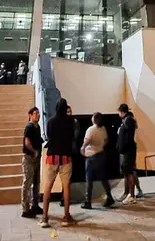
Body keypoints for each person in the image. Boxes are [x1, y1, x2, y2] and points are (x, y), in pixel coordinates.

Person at [40, 98, 75, 228]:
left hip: (52, 156)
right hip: (66, 157)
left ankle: (44, 217)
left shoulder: (50, 121)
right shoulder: (71, 121)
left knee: (47, 186)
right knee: (66, 187)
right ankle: (66, 216)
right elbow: (72, 136)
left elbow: (49, 136)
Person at [81, 112, 115, 209]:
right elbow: (106, 141)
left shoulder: (90, 130)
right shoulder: (103, 129)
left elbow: (86, 141)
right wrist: (100, 146)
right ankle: (109, 196)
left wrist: (83, 148)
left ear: (94, 119)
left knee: (89, 179)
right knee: (103, 178)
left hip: (91, 157)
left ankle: (88, 201)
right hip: (101, 155)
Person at [21, 107, 42, 218]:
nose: (38, 115)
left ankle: (35, 205)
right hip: (29, 158)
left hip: (37, 158)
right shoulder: (29, 127)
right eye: (35, 113)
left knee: (37, 183)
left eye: (38, 113)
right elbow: (27, 142)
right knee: (27, 183)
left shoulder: (37, 127)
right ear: (30, 115)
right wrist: (34, 152)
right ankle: (25, 209)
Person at [116, 103, 138, 204]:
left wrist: (122, 147)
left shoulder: (128, 120)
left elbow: (127, 137)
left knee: (129, 172)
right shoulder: (126, 120)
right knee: (126, 171)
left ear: (121, 111)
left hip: (128, 151)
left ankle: (131, 195)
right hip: (125, 150)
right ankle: (127, 193)